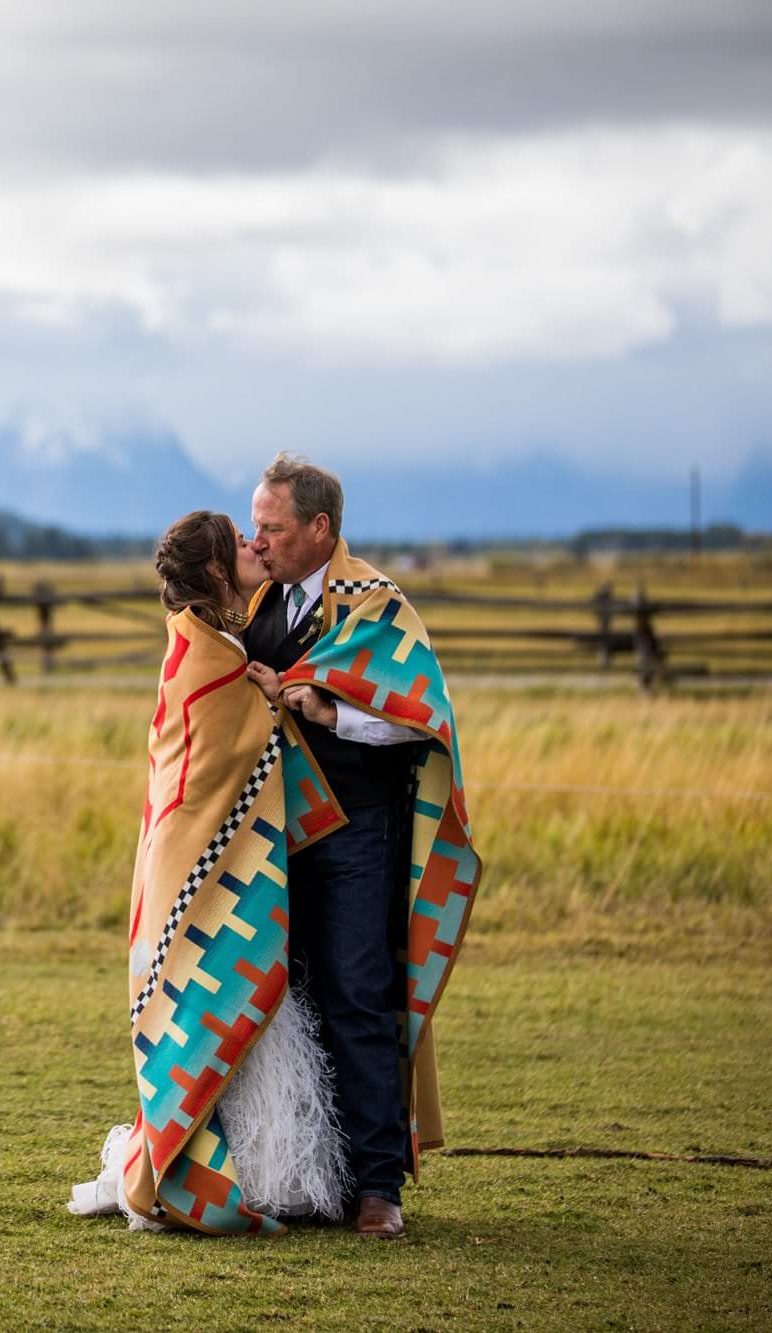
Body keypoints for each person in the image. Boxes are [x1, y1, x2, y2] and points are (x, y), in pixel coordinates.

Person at [69, 509, 351, 1236]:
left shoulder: (212, 642)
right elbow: (218, 764)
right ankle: (224, 1175)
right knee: (214, 1005)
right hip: (195, 868)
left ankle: (267, 1171)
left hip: (193, 863)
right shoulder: (210, 656)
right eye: (242, 542)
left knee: (233, 1017)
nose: (258, 546)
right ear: (220, 570)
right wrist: (276, 699)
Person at [243, 452, 483, 1238]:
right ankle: (316, 1177)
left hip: (358, 828)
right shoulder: (260, 607)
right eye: (256, 526)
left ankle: (379, 1187)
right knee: (290, 993)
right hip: (277, 834)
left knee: (358, 993)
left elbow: (422, 713)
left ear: (320, 527)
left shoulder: (377, 606)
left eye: (273, 527)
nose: (260, 540)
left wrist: (330, 712)